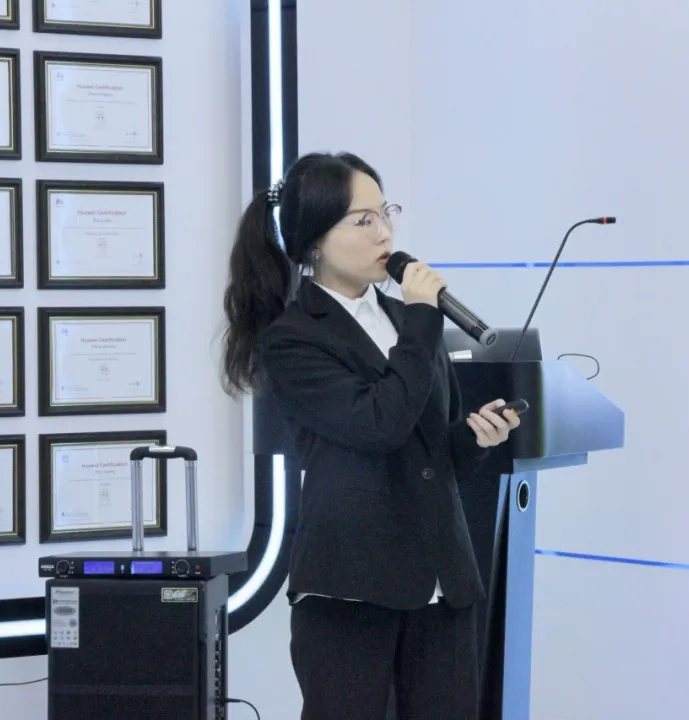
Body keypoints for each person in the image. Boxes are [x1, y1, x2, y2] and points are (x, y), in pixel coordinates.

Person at [221, 152, 520, 720]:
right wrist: (424, 317)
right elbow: (379, 425)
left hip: (442, 580)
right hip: (351, 584)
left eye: (387, 213)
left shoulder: (409, 321)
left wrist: (477, 438)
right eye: (363, 220)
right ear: (315, 242)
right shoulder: (294, 337)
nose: (385, 232)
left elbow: (433, 453)